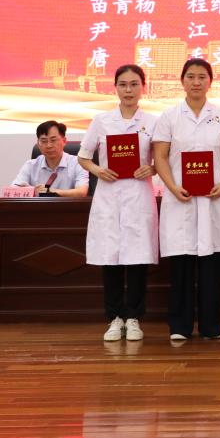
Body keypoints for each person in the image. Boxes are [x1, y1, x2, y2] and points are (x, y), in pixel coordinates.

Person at [153, 59, 220, 341]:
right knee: (182, 264)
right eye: (191, 76)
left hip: (214, 197)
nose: (196, 82)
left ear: (210, 81)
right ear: (182, 81)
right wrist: (172, 187)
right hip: (181, 198)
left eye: (202, 77)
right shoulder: (169, 116)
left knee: (212, 265)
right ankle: (180, 326)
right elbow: (160, 157)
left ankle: (211, 326)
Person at [77, 64, 159, 342]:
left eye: (134, 84)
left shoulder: (153, 122)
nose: (128, 90)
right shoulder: (102, 120)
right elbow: (83, 157)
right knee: (110, 258)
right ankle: (114, 318)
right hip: (109, 196)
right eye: (123, 84)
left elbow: (163, 158)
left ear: (143, 87)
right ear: (115, 88)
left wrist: (152, 168)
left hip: (139, 194)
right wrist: (98, 170)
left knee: (137, 258)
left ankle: (134, 318)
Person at [12, 120, 89, 197]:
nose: (49, 145)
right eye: (44, 141)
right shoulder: (30, 165)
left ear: (64, 141)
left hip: (68, 205)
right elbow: (13, 190)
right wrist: (34, 190)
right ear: (38, 144)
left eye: (53, 140)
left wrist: (51, 191)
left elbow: (82, 192)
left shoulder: (78, 163)